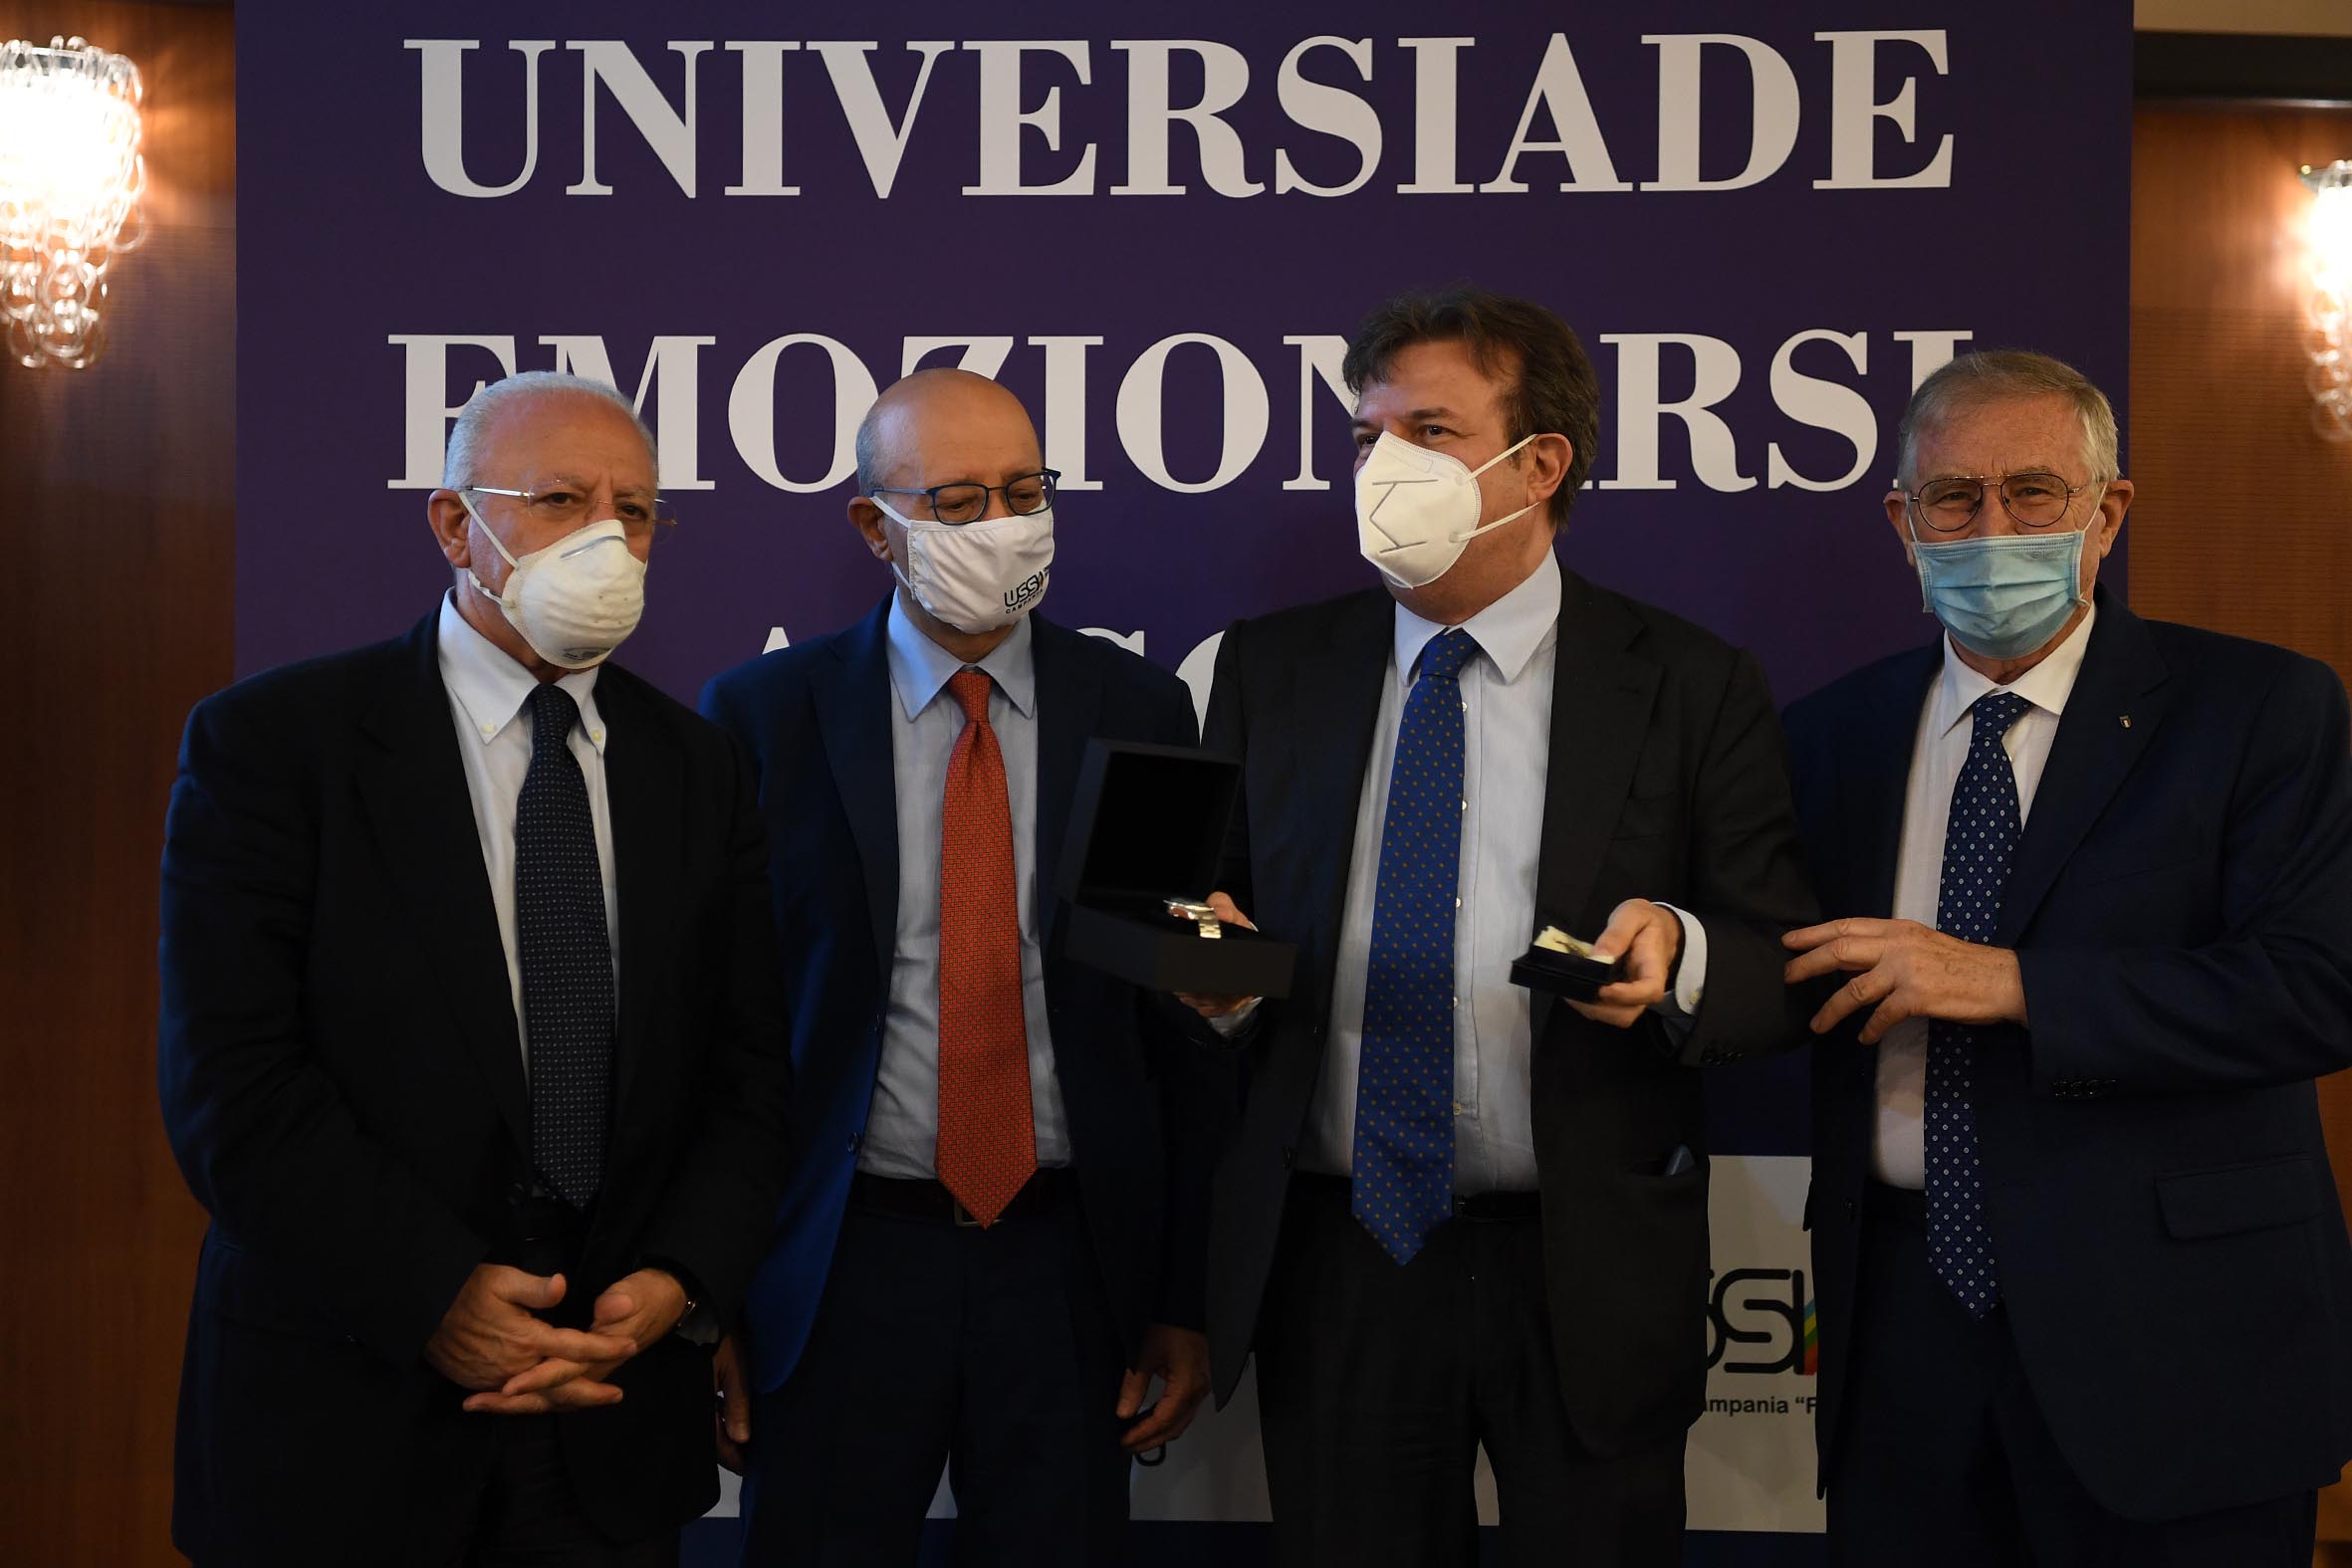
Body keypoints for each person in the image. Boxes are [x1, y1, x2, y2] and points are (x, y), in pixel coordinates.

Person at [1181, 287, 1816, 1567]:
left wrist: (1681, 958)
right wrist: (1212, 971)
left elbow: (1778, 960)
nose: (1383, 468)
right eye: (1366, 438)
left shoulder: (1689, 681)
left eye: (1429, 432)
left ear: (1539, 465)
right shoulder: (1268, 667)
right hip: (1340, 1255)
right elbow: (1204, 910)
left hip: (1582, 1263)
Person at [157, 371, 795, 1567]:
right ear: (457, 526)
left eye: (636, 511)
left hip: (609, 1417)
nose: (608, 537)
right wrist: (434, 1295)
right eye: (560, 501)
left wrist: (678, 1279)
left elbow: (748, 1072)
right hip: (344, 1418)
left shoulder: (698, 767)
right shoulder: (275, 745)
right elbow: (230, 1084)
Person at [1780, 348, 2352, 1566]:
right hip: (1902, 1341)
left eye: (2034, 492)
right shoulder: (1828, 735)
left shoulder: (2260, 709)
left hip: (2173, 1342)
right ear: (1902, 523)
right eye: (1953, 498)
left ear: (2108, 512)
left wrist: (2011, 984)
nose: (1994, 529)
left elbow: (2315, 990)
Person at [700, 367, 1229, 1565]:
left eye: (1024, 491)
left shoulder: (1140, 709)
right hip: (839, 1262)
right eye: (957, 500)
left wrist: (1180, 1294)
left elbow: (1173, 1029)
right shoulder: (764, 717)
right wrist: (709, 1296)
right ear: (872, 524)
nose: (1002, 524)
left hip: (1068, 1266)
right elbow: (721, 1035)